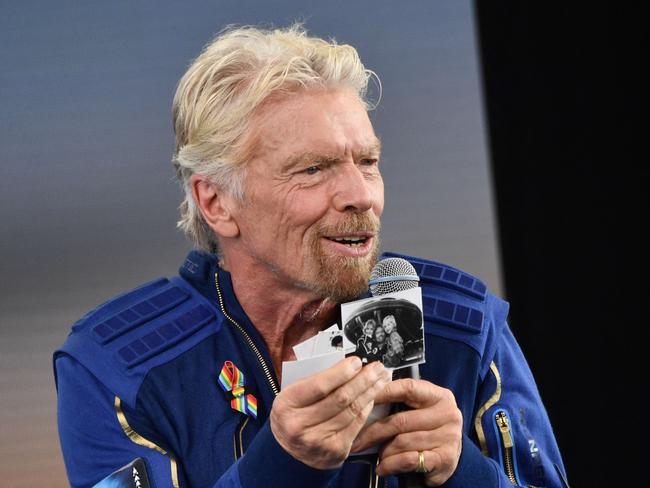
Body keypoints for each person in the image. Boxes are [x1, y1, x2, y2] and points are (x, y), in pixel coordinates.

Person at [54, 25, 568, 488]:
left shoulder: (462, 328)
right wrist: (282, 464)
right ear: (217, 202)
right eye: (313, 170)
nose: (360, 195)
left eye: (367, 162)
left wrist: (465, 474)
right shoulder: (119, 366)